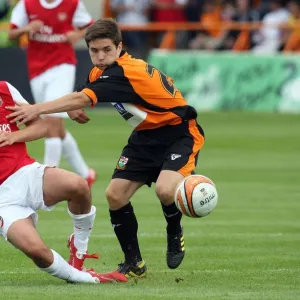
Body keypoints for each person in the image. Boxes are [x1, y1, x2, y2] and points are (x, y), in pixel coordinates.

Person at [6, 18, 205, 280]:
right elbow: (85, 91)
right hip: (145, 137)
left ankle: (174, 231)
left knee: (165, 190)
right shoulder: (102, 71)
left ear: (120, 47)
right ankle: (134, 263)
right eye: (94, 51)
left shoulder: (124, 71)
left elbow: (82, 96)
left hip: (179, 133)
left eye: (106, 50)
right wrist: (75, 105)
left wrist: (36, 108)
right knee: (114, 195)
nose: (100, 56)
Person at [0, 80, 127, 284]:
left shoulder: (5, 90)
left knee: (78, 185)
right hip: (2, 200)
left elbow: (41, 126)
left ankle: (79, 251)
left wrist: (14, 136)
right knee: (38, 252)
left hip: (23, 173)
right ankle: (85, 278)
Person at [8, 0, 97, 187]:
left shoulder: (72, 4)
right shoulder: (27, 5)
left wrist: (77, 34)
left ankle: (49, 178)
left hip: (63, 64)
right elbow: (11, 34)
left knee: (51, 120)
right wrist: (27, 28)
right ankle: (85, 173)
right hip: (37, 68)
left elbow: (91, 26)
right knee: (56, 126)